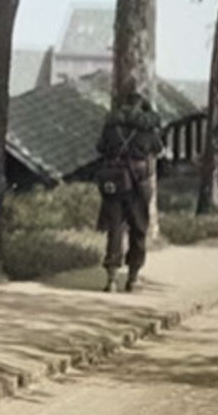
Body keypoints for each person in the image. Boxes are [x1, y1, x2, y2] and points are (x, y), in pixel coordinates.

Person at [96, 95, 162, 292]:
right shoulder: (147, 128)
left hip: (114, 181)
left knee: (114, 228)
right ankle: (132, 277)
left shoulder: (110, 126)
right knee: (138, 229)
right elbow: (158, 148)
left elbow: (100, 147)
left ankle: (111, 279)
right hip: (138, 182)